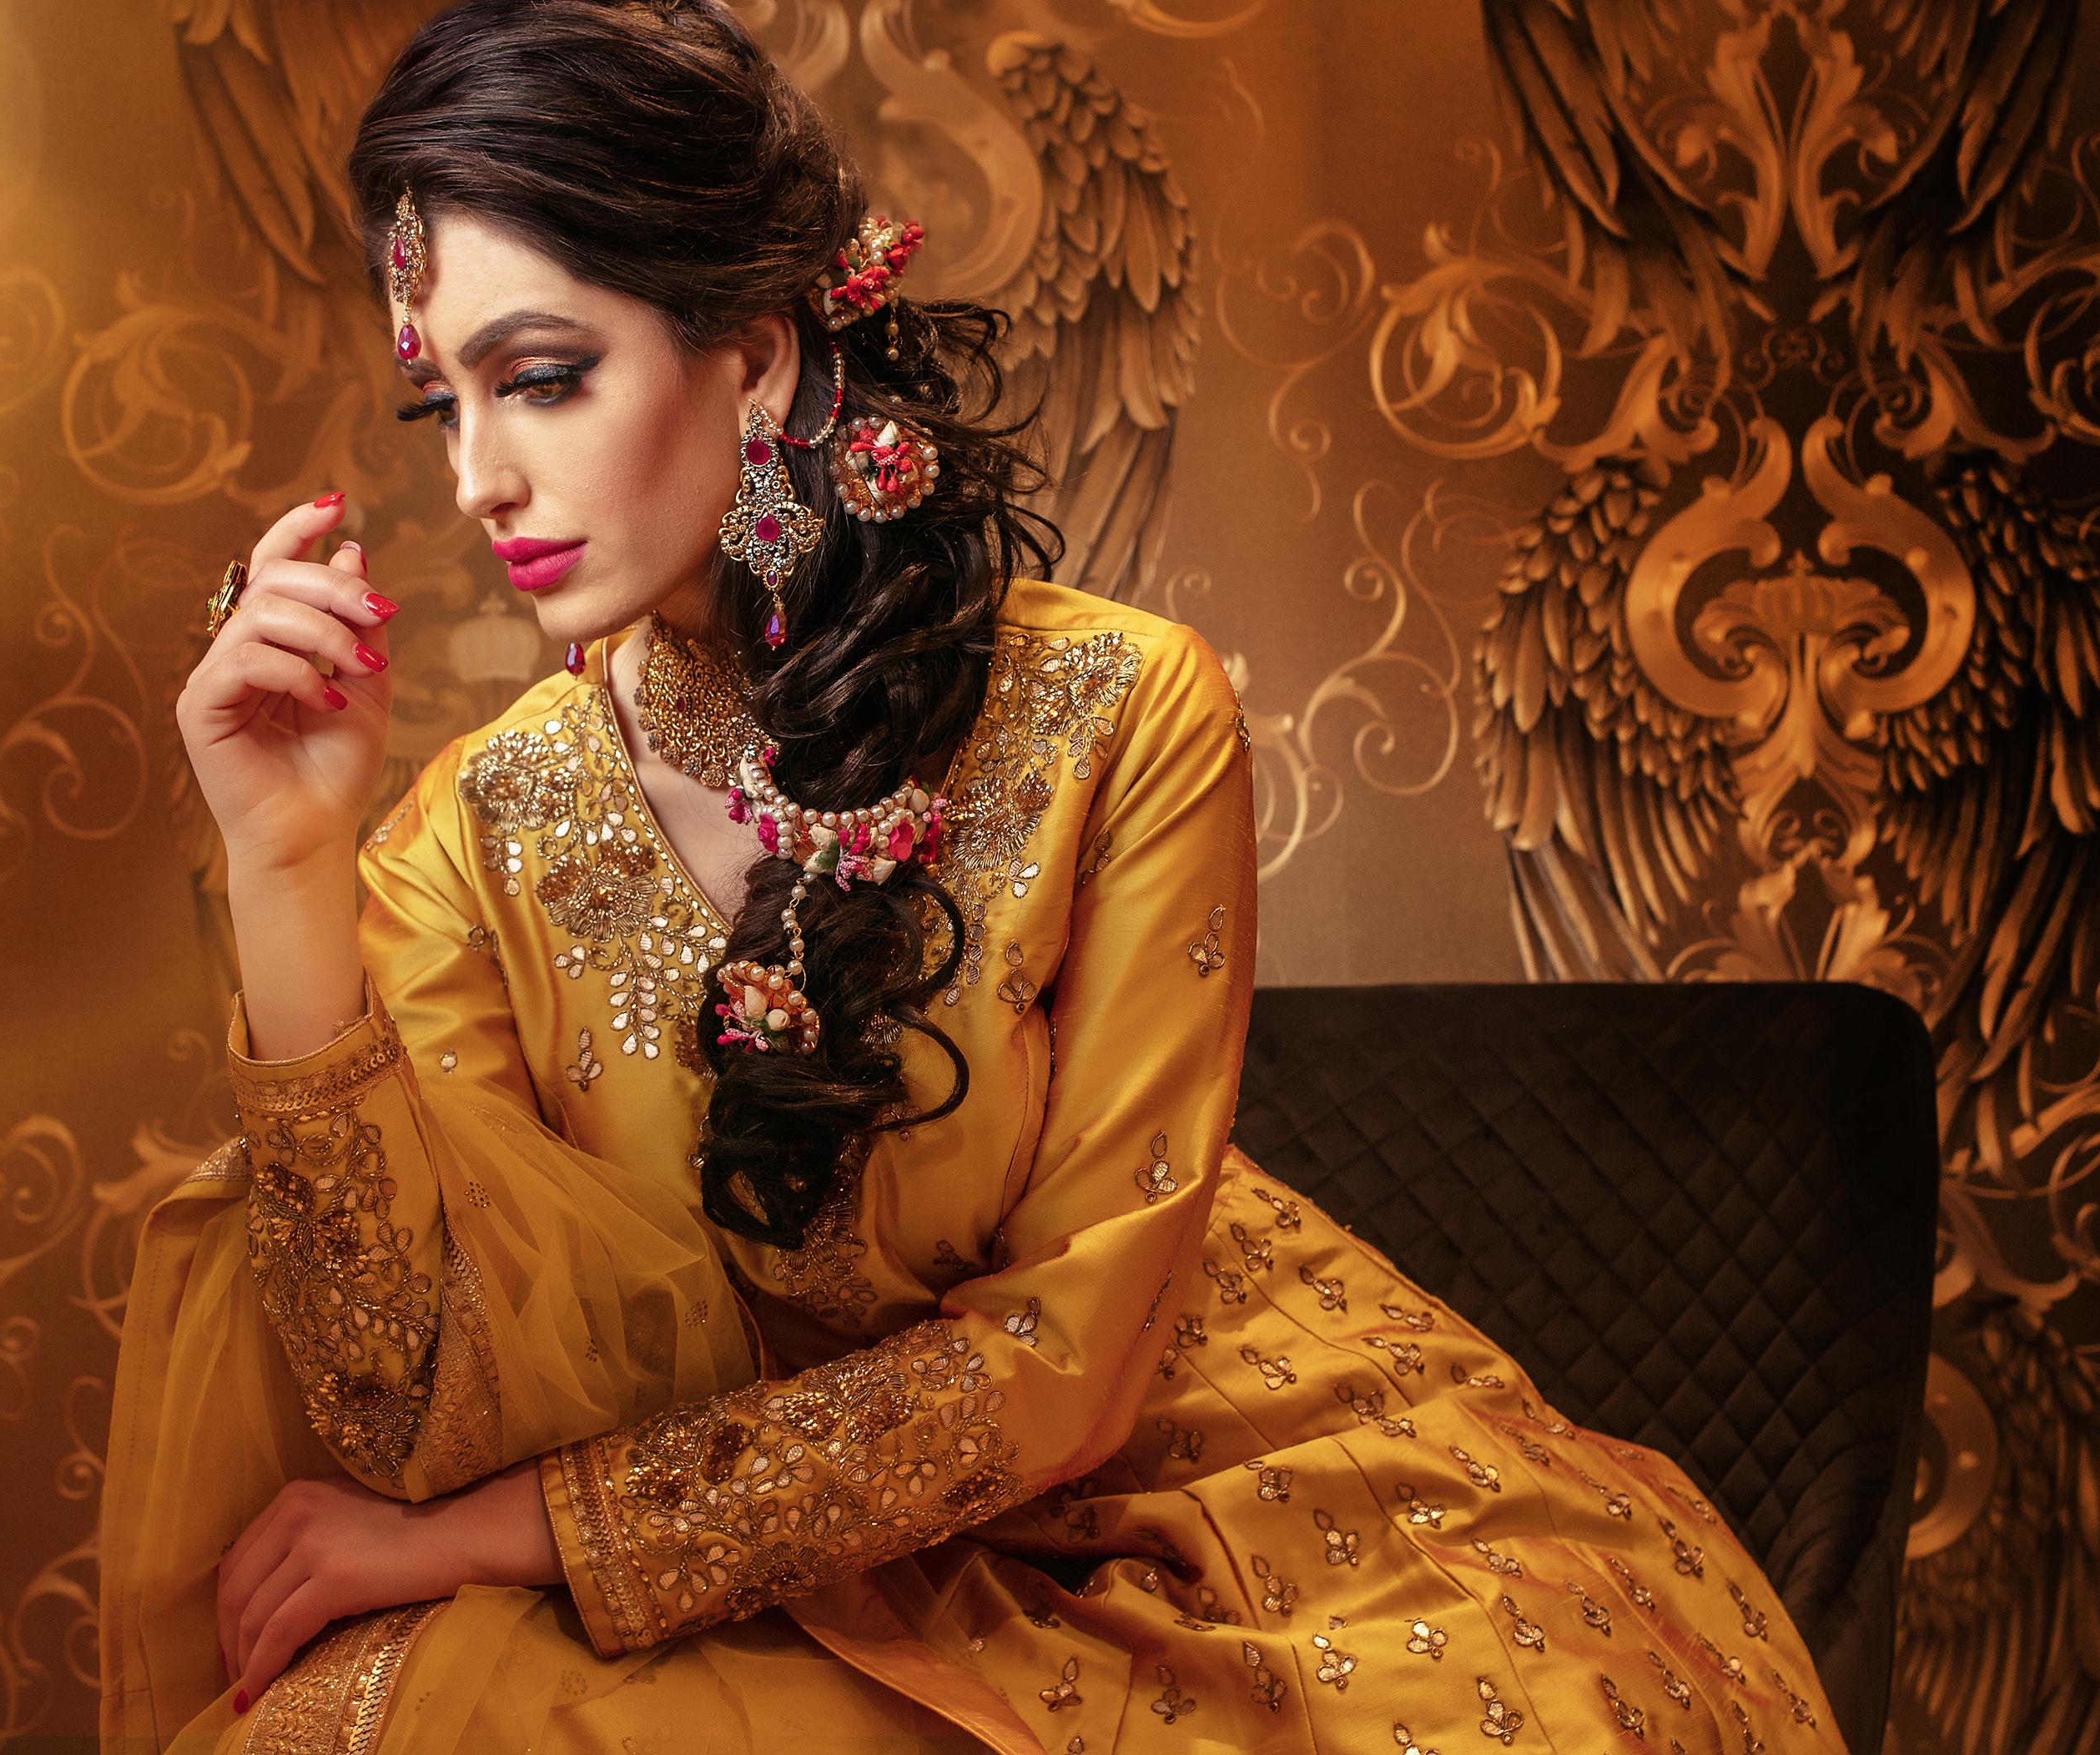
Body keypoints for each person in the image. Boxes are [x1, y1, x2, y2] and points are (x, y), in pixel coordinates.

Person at [98, 2, 1851, 1749]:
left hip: (1203, 1519)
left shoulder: (1115, 711)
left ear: (755, 356)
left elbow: (1064, 1362)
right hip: (756, 1573)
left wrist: (511, 1535)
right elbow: (404, 1402)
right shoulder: (473, 837)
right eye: (444, 403)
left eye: (542, 377)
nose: (479, 478)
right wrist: (286, 859)